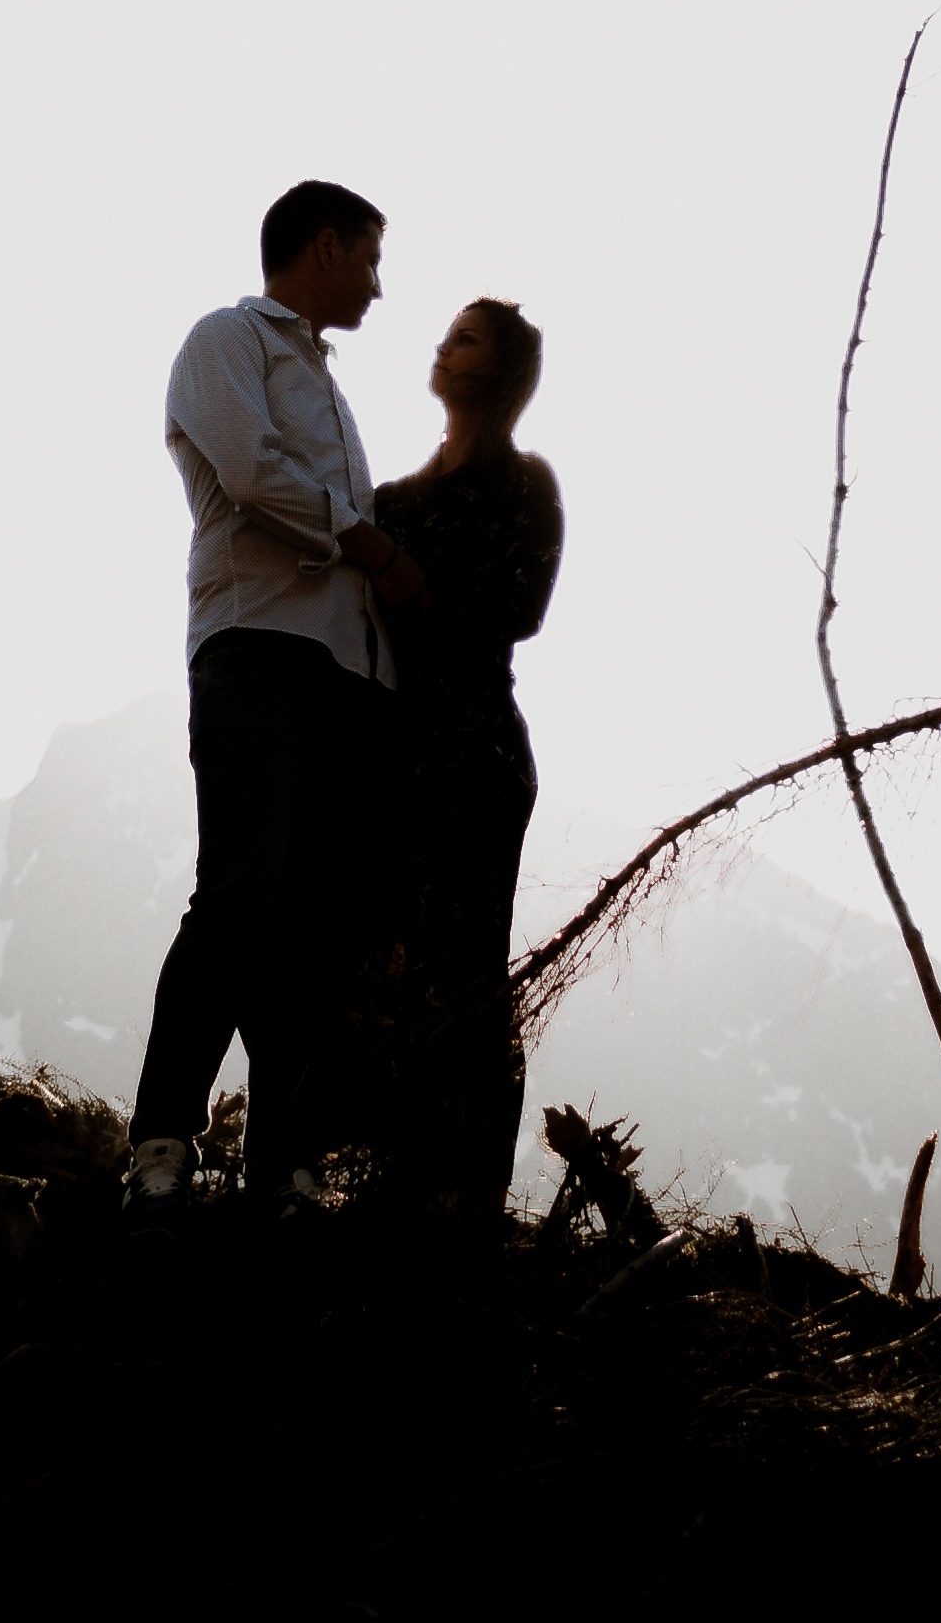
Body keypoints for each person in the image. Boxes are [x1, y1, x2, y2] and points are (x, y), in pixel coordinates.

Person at [124, 177, 428, 1207]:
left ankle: (278, 1164)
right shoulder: (228, 339)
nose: (380, 288)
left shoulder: (328, 384)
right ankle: (162, 1140)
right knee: (241, 893)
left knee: (307, 926)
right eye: (373, 260)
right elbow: (250, 472)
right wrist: (366, 539)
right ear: (328, 245)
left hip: (343, 673)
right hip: (256, 647)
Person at [371, 297, 564, 1206]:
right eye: (447, 335)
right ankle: (401, 1177)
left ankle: (469, 1198)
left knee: (470, 974)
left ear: (500, 372)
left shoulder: (527, 484)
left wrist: (411, 582)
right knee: (386, 965)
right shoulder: (392, 502)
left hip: (478, 754)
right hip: (391, 759)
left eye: (465, 338)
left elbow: (518, 608)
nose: (443, 349)